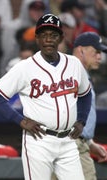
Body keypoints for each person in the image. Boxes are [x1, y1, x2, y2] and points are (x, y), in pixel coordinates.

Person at [0, 14, 92, 180]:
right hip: (39, 140)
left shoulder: (74, 64)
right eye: (44, 35)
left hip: (68, 141)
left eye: (53, 35)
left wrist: (82, 120)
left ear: (61, 38)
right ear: (37, 39)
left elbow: (85, 95)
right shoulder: (24, 67)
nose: (48, 40)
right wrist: (20, 120)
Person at [65, 32, 107, 179]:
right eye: (96, 52)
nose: (99, 57)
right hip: (72, 145)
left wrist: (89, 142)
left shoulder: (77, 74)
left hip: (70, 143)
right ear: (81, 50)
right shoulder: (71, 75)